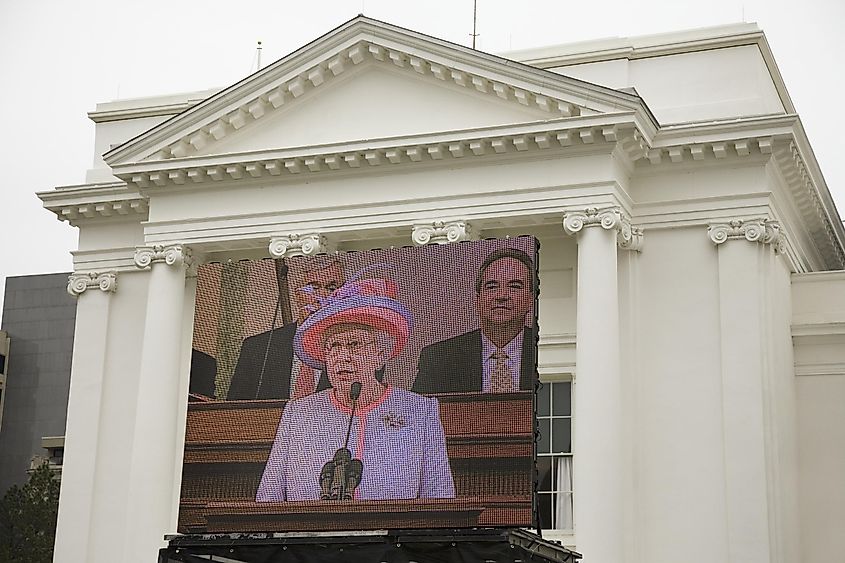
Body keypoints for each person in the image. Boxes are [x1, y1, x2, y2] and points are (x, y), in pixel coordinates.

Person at [255, 277, 455, 502]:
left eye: (354, 345)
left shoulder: (420, 411)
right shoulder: (298, 413)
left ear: (380, 356)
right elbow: (268, 497)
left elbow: (440, 497)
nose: (342, 357)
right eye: (334, 347)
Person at [412, 247, 536, 394]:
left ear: (530, 300)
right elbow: (414, 414)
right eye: (492, 287)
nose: (502, 295)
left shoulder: (541, 350)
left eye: (514, 286)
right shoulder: (439, 358)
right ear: (478, 300)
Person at [227, 258, 345, 400]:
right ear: (297, 293)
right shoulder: (258, 348)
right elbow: (233, 415)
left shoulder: (356, 349)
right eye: (313, 287)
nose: (322, 297)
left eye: (332, 288)